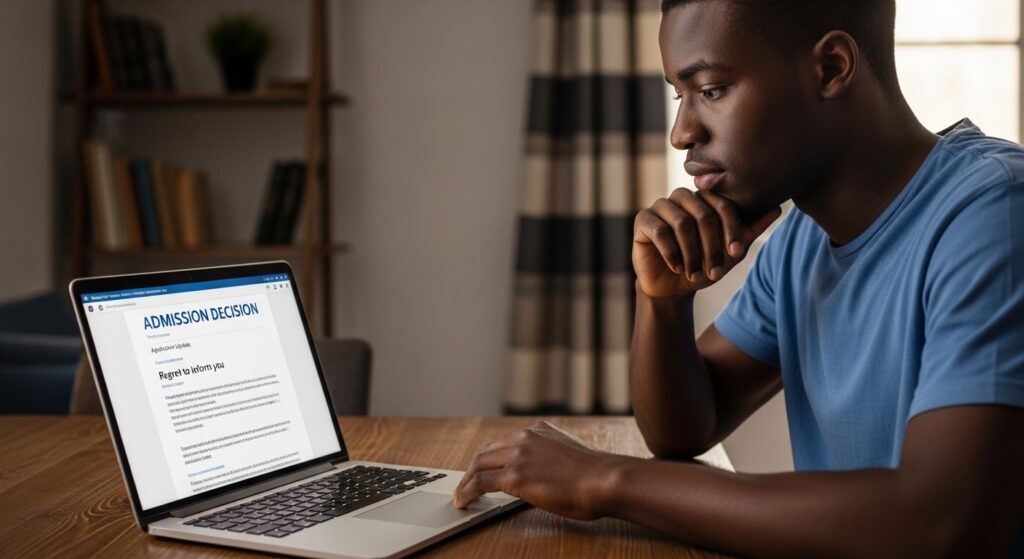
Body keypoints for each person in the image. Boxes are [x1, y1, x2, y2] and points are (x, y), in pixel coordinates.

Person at [453, 0, 1024, 556]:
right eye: (680, 96)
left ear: (831, 68)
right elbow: (684, 429)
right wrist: (662, 301)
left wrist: (603, 480)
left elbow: (942, 522)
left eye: (712, 90)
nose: (681, 132)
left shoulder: (994, 213)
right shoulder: (802, 239)